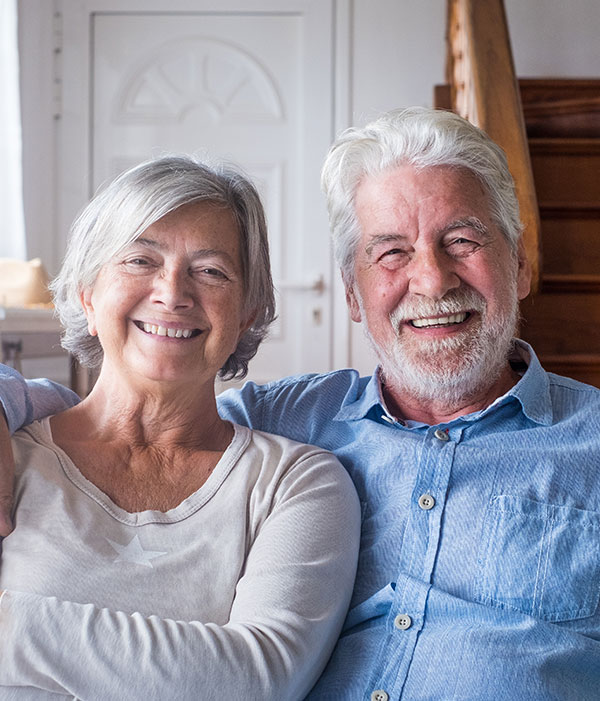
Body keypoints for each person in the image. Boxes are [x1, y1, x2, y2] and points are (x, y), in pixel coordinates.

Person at [1, 106, 600, 699]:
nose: (433, 280)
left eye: (462, 241)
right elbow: (147, 417)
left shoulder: (588, 441)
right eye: (392, 252)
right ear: (352, 294)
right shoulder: (286, 420)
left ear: (520, 265)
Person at [0, 156, 361, 699]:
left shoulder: (296, 483)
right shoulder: (13, 457)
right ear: (87, 296)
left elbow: (255, 681)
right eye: (141, 260)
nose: (172, 293)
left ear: (246, 312)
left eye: (211, 270)